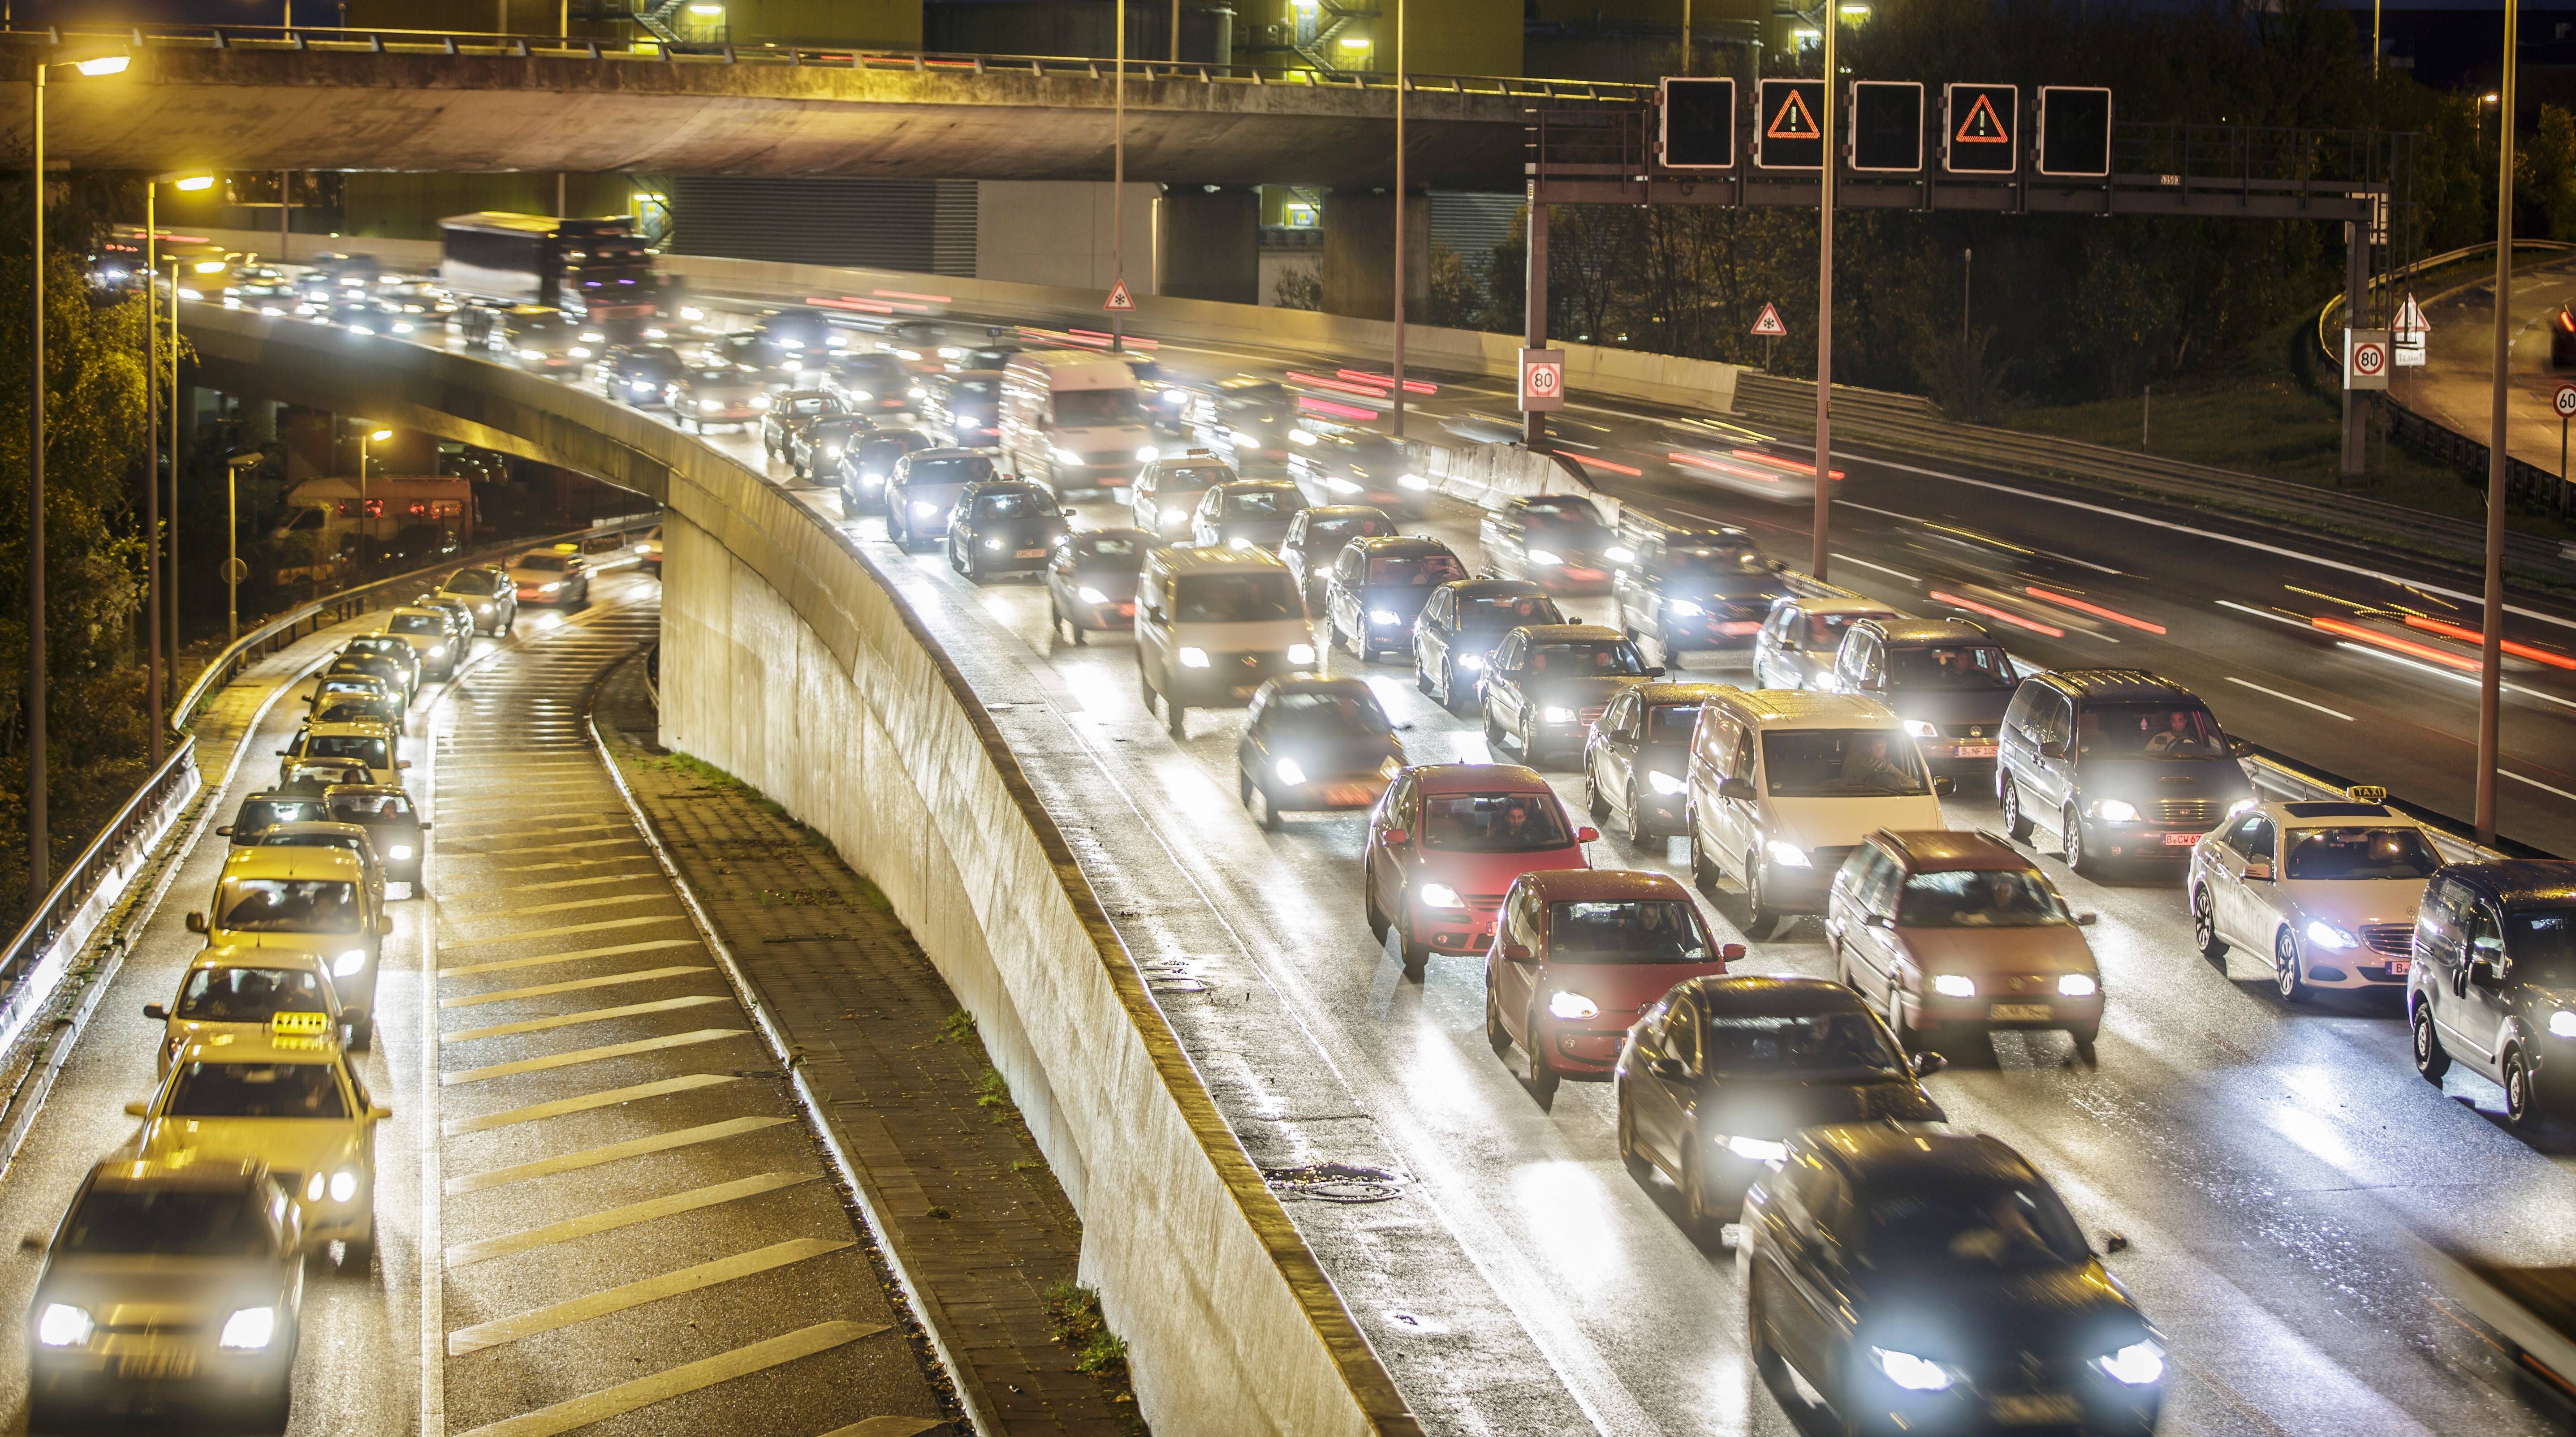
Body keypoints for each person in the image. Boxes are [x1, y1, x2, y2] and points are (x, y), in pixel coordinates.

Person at [1839, 733, 1915, 791]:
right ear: (1869, 748)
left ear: (1886, 749)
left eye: (1883, 747)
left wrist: (1898, 788)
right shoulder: (1855, 766)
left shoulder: (1889, 767)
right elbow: (1846, 787)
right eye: (1877, 747)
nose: (1880, 750)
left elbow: (1912, 782)